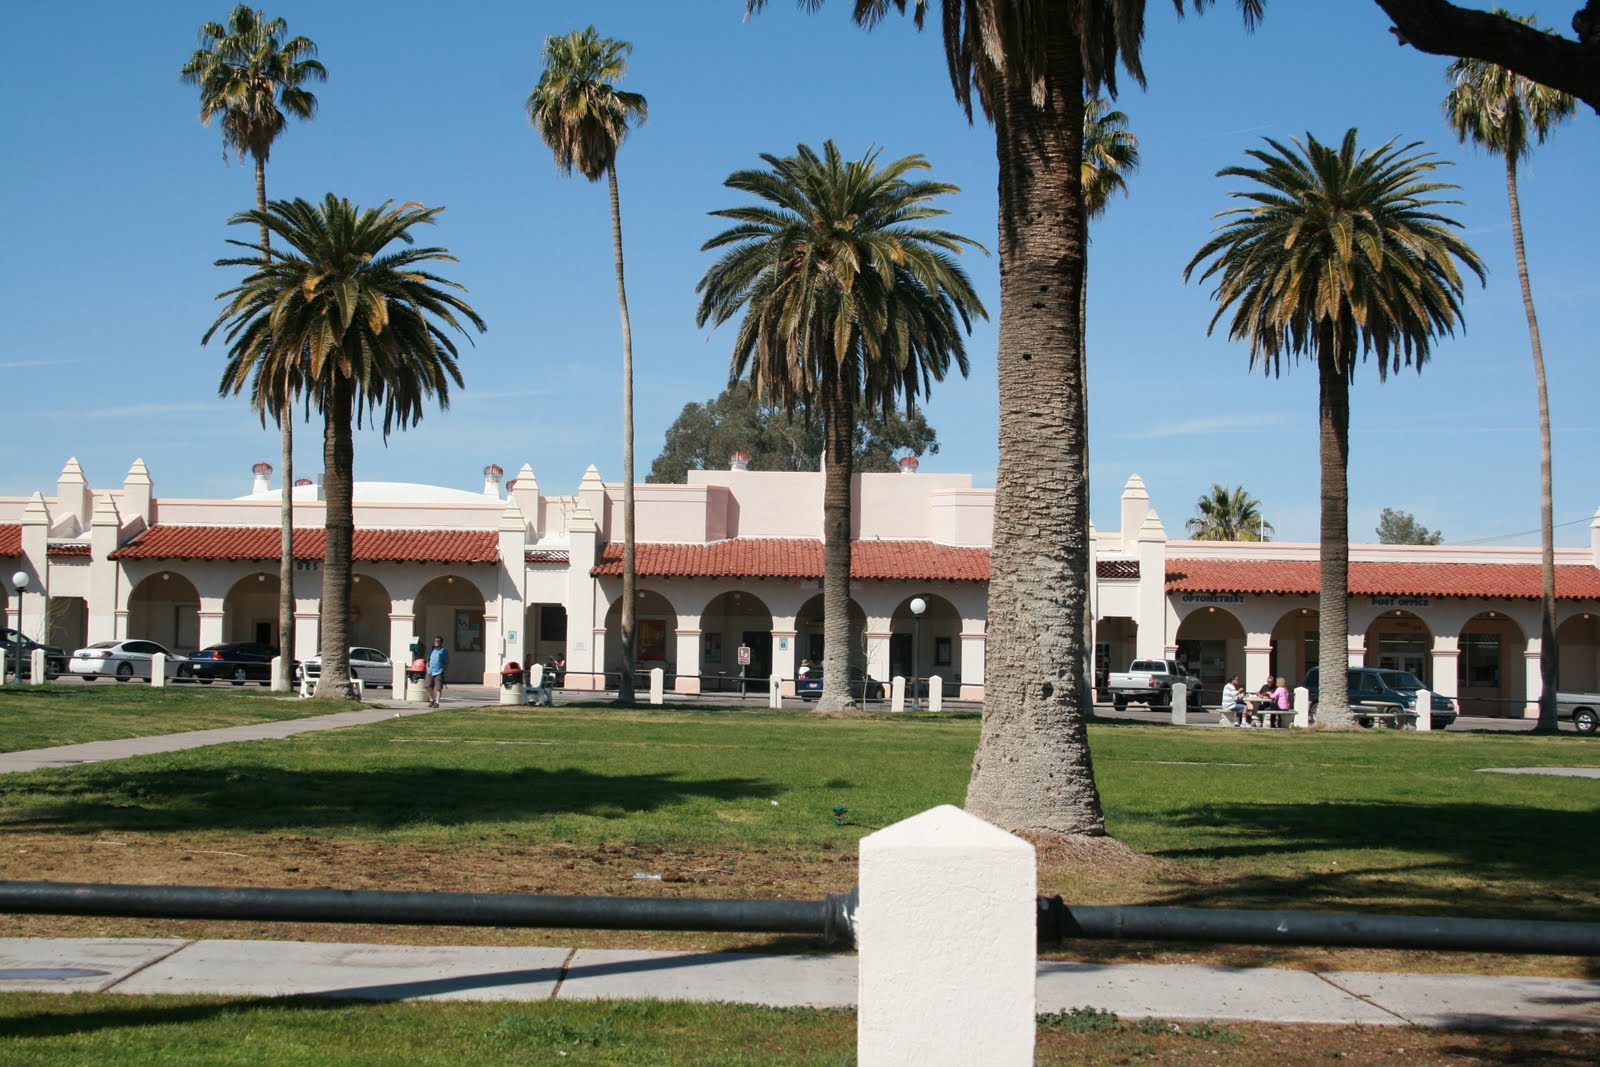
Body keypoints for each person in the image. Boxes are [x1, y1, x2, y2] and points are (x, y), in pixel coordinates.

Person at [426, 635, 450, 708]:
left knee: (438, 687)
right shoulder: (432, 650)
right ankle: (431, 699)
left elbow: (446, 662)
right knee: (427, 686)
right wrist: (427, 668)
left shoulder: (443, 650)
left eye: (438, 641)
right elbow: (428, 660)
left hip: (439, 671)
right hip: (430, 671)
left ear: (441, 642)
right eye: (435, 641)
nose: (436, 642)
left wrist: (443, 670)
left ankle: (437, 702)